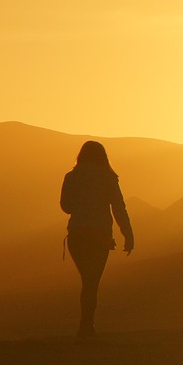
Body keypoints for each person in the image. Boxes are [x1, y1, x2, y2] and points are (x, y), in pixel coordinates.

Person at [59, 140, 134, 338]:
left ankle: (86, 328)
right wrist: (128, 233)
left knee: (87, 280)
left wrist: (81, 204)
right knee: (92, 282)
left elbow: (65, 206)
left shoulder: (71, 177)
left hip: (77, 235)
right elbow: (119, 207)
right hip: (99, 236)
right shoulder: (108, 177)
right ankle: (87, 328)